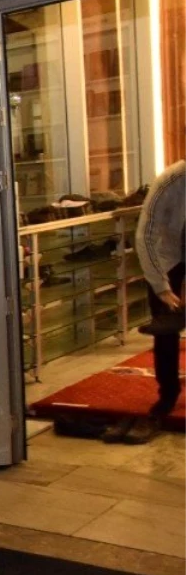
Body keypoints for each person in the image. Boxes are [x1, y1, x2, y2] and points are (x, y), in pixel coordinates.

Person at [114, 161, 186, 444]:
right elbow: (145, 235)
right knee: (166, 331)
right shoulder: (170, 182)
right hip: (167, 257)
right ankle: (167, 395)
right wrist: (161, 286)